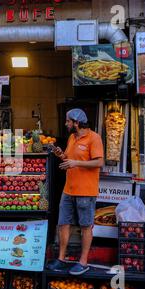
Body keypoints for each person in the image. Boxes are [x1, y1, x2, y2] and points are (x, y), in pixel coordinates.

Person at [47, 108, 104, 275]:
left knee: (86, 226)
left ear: (76, 123)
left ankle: (83, 261)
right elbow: (68, 158)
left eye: (68, 121)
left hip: (86, 190)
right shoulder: (72, 137)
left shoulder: (94, 138)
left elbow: (100, 162)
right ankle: (61, 259)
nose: (66, 124)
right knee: (64, 223)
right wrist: (60, 154)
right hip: (68, 189)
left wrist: (75, 163)